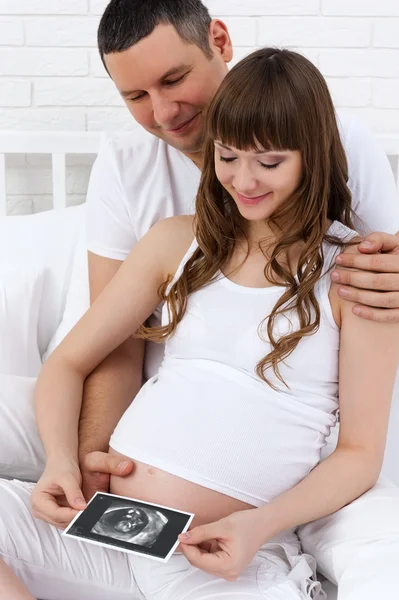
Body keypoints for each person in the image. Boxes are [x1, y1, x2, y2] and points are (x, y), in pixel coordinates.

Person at [1, 0, 399, 597]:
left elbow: (362, 452)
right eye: (228, 157)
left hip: (219, 552)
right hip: (117, 530)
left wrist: (258, 526)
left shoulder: (352, 273)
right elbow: (72, 359)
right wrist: (66, 460)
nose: (244, 181)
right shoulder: (174, 243)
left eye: (269, 161)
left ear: (312, 156)